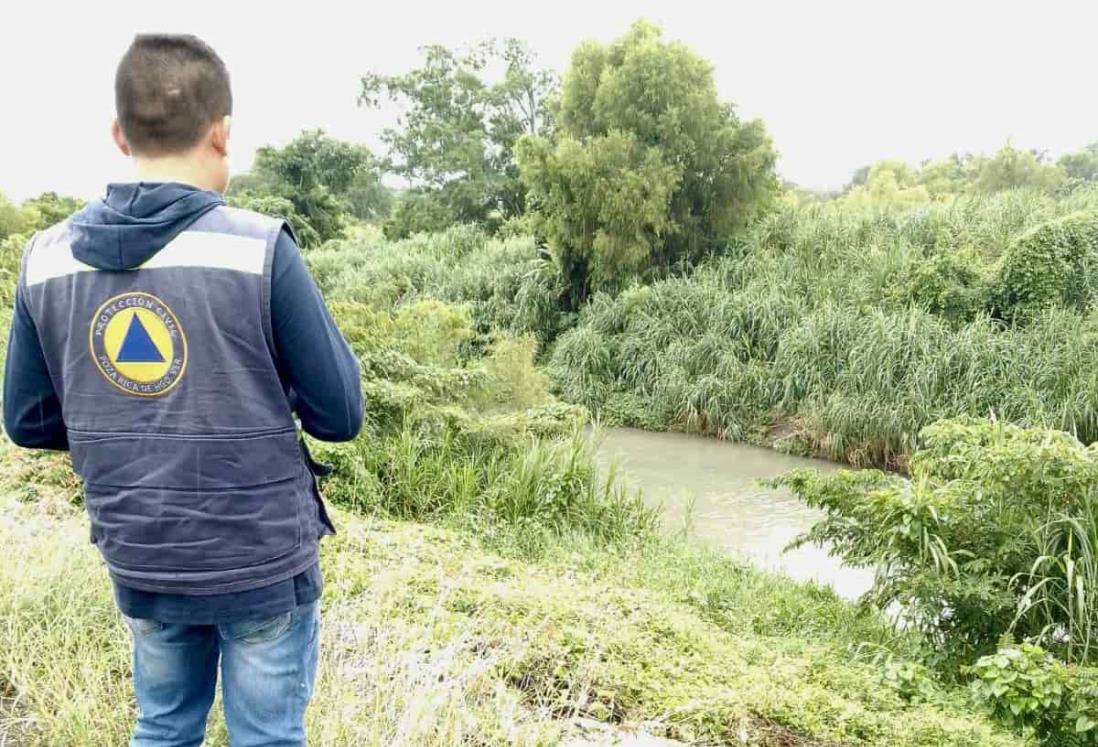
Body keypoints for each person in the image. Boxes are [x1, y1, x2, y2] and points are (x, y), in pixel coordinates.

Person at [2, 33, 363, 747]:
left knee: (163, 726)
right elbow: (340, 412)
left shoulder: (43, 260)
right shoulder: (258, 248)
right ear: (222, 132)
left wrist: (124, 416)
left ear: (118, 133)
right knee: (266, 736)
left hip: (140, 552)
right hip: (260, 560)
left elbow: (28, 419)